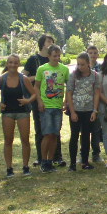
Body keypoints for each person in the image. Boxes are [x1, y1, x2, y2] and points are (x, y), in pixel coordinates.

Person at [23, 34, 66, 167]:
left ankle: (56, 157)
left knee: (55, 132)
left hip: (56, 102)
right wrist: (37, 78)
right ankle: (41, 158)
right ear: (42, 43)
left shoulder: (61, 66)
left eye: (52, 42)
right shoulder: (34, 60)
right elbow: (24, 77)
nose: (50, 43)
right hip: (40, 100)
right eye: (48, 41)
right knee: (41, 130)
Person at [0, 54, 35, 178]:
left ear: (19, 64)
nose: (13, 65)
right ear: (7, 64)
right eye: (10, 62)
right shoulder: (2, 79)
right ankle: (9, 168)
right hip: (7, 113)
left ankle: (25, 166)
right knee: (8, 140)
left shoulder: (24, 79)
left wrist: (27, 101)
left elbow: (34, 94)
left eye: (15, 63)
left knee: (25, 140)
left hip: (22, 112)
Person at [34, 45, 70, 173]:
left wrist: (66, 101)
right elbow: (36, 86)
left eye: (58, 56)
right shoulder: (42, 69)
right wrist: (39, 101)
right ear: (48, 56)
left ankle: (50, 161)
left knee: (55, 134)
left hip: (58, 106)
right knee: (47, 134)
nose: (57, 58)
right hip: (46, 106)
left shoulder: (64, 69)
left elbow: (69, 87)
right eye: (54, 56)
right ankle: (44, 161)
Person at [66, 52, 100, 171]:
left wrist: (94, 111)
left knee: (86, 136)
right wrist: (72, 112)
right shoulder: (73, 75)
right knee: (74, 136)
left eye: (82, 64)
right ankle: (72, 164)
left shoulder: (95, 76)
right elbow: (69, 93)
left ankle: (85, 162)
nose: (80, 67)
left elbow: (96, 94)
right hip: (76, 110)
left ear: (88, 63)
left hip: (88, 110)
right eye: (78, 64)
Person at [87, 45, 103, 162]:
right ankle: (83, 153)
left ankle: (96, 154)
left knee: (96, 129)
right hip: (84, 102)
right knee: (84, 130)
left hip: (98, 101)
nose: (92, 55)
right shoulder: (82, 66)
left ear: (98, 54)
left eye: (94, 53)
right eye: (90, 53)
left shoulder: (101, 67)